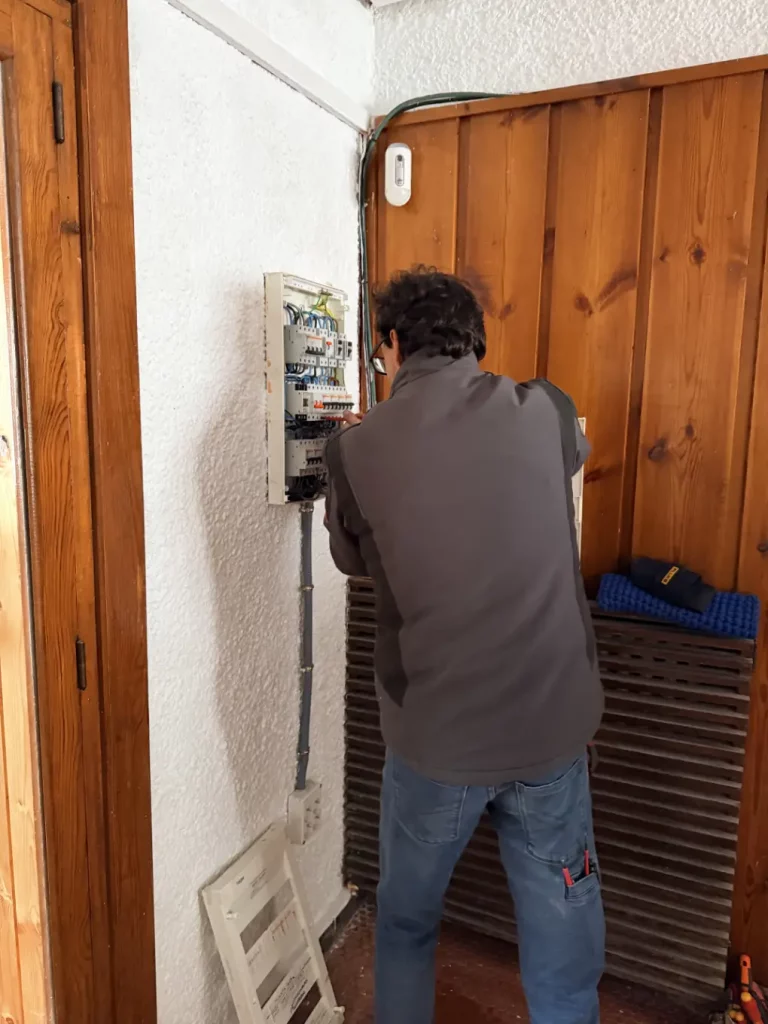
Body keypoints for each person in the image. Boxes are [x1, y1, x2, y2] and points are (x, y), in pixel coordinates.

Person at [324, 266, 605, 1024]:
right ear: (474, 344)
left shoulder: (354, 452)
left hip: (435, 747)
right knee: (563, 948)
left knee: (409, 923)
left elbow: (353, 563)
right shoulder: (545, 410)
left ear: (391, 345)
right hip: (551, 734)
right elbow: (576, 445)